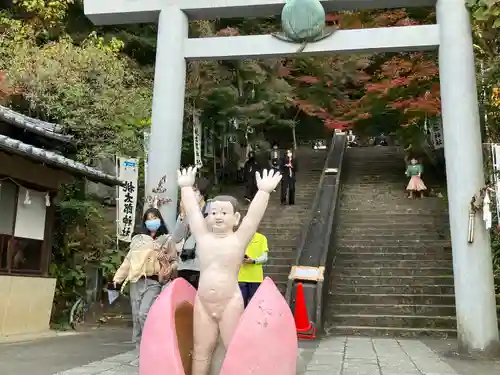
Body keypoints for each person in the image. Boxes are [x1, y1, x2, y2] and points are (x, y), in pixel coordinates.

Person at [178, 166, 281, 375]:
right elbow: (193, 213)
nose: (218, 217)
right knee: (200, 350)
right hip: (203, 302)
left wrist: (263, 192)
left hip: (230, 302)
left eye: (224, 213)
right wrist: (186, 187)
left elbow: (253, 218)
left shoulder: (238, 240)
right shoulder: (203, 238)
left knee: (234, 348)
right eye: (214, 212)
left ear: (235, 219)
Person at [113, 208, 179, 346]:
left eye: (154, 217)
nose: (151, 221)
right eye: (148, 219)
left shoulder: (166, 239)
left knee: (144, 313)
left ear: (160, 219)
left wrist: (165, 259)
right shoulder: (138, 240)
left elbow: (175, 262)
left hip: (154, 281)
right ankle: (138, 346)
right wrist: (117, 278)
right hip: (136, 280)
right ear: (144, 222)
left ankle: (150, 342)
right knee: (136, 315)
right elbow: (128, 260)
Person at [173, 183, 206, 289]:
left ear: (202, 195)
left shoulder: (211, 213)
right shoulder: (187, 213)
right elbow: (176, 238)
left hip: (202, 266)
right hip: (184, 265)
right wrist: (182, 214)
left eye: (195, 191)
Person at [238, 231, 269, 307]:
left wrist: (254, 261)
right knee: (240, 304)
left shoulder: (261, 238)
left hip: (256, 278)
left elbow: (264, 257)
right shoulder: (238, 238)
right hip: (240, 277)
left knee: (255, 305)